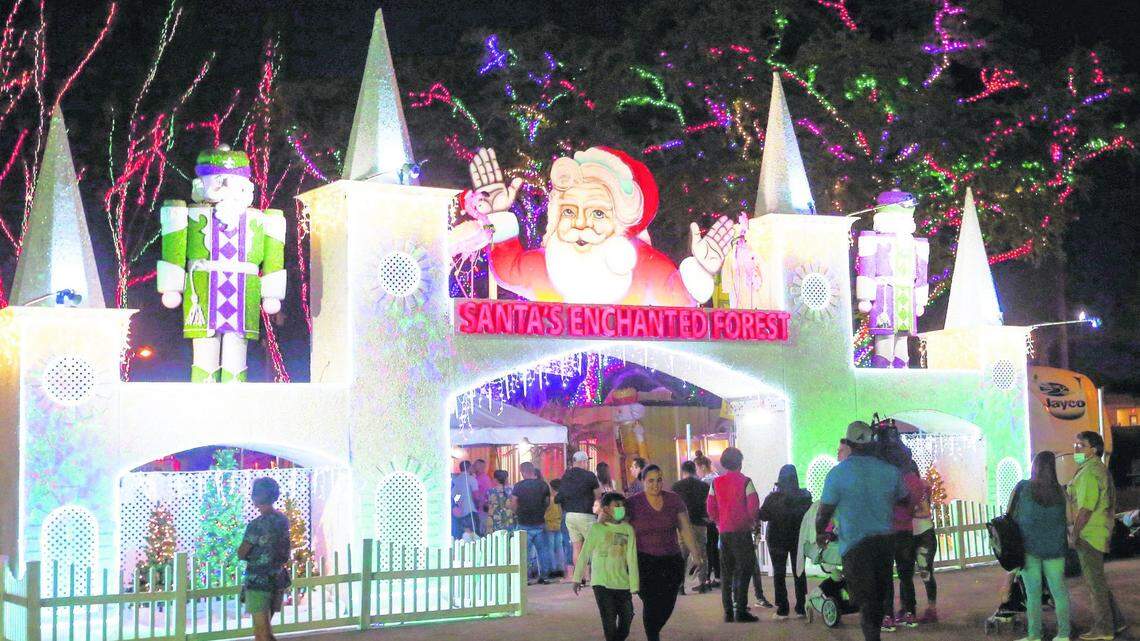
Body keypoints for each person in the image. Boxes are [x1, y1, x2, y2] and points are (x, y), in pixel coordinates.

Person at [816, 422, 908, 641]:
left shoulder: (837, 474)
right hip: (884, 543)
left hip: (856, 546)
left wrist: (821, 533)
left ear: (849, 444)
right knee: (878, 596)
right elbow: (905, 500)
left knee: (866, 601)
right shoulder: (890, 471)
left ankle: (872, 638)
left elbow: (823, 512)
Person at [627, 465, 704, 641]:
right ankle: (652, 635)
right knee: (651, 601)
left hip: (671, 559)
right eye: (651, 481)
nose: (656, 485)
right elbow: (619, 526)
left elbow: (685, 529)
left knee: (668, 602)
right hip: (644, 560)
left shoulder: (674, 500)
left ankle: (654, 628)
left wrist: (696, 555)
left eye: (659, 480)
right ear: (643, 481)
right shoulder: (632, 503)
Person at [1069, 431, 1126, 640]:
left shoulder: (1089, 473)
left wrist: (1075, 533)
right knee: (1098, 582)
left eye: (1080, 446)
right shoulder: (1098, 469)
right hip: (1100, 530)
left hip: (1090, 534)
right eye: (1075, 445)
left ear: (1093, 450)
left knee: (1095, 586)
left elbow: (1085, 509)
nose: (1075, 449)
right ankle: (1116, 622)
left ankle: (1104, 629)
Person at [1010, 451, 1072, 641]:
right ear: (1053, 468)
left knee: (1033, 594)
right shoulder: (1061, 492)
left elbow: (1009, 515)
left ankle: (1035, 635)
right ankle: (1063, 634)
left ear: (1034, 466)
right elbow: (1069, 519)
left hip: (1029, 549)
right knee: (1059, 593)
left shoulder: (1022, 487)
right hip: (1055, 550)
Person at [572, 493, 640, 641]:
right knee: (609, 622)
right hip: (601, 584)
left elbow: (632, 559)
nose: (621, 508)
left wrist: (634, 584)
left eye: (623, 505)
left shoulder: (628, 529)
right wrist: (577, 578)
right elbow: (584, 554)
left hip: (622, 583)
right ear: (606, 509)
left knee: (627, 618)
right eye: (617, 505)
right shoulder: (596, 529)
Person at [705, 447, 761, 623]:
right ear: (740, 462)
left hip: (724, 533)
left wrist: (718, 522)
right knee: (744, 570)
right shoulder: (746, 482)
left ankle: (728, 611)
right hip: (742, 532)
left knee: (727, 572)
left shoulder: (716, 483)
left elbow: (710, 508)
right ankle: (741, 610)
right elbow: (753, 507)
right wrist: (752, 522)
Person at [237, 478, 290, 641]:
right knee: (265, 630)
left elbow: (242, 552)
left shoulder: (256, 525)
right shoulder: (282, 520)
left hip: (258, 581)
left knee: (261, 632)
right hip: (277, 578)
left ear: (256, 497)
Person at [759, 463, 813, 619]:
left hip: (777, 540)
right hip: (798, 538)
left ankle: (783, 609)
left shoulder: (773, 498)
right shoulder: (805, 496)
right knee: (799, 572)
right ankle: (801, 607)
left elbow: (763, 515)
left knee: (779, 573)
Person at [882, 454, 925, 631]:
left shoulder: (887, 477)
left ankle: (887, 616)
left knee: (885, 576)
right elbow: (918, 497)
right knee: (906, 575)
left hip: (887, 532)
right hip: (906, 532)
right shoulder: (913, 480)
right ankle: (909, 613)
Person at [559, 451, 602, 574]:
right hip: (586, 515)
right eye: (586, 462)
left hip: (570, 515)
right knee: (594, 547)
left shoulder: (566, 476)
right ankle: (595, 576)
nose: (587, 464)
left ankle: (579, 577)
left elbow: (561, 494)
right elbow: (598, 494)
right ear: (583, 462)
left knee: (577, 548)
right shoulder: (589, 476)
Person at [672, 460, 711, 593]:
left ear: (683, 471)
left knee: (682, 555)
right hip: (700, 523)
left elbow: (674, 507)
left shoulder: (676, 486)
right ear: (694, 470)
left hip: (683, 525)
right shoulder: (704, 486)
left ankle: (680, 585)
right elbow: (708, 505)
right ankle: (702, 583)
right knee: (701, 553)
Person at [512, 462, 553, 584]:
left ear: (523, 472)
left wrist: (516, 513)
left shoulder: (518, 486)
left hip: (523, 522)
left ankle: (525, 578)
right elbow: (548, 502)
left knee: (524, 552)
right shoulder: (543, 485)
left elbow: (514, 502)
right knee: (543, 551)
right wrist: (542, 511)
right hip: (539, 521)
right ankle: (544, 576)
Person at [910, 461, 939, 623]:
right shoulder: (922, 485)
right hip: (920, 531)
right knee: (924, 572)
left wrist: (908, 512)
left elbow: (925, 510)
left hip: (922, 532)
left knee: (925, 571)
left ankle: (931, 608)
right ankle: (928, 607)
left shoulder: (918, 486)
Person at [695, 453, 721, 587]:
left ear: (703, 467)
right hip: (717, 519)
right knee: (714, 548)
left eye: (697, 468)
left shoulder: (706, 482)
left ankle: (708, 578)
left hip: (708, 518)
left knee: (708, 549)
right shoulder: (716, 478)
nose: (697, 472)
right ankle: (717, 576)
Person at [546, 478, 571, 575]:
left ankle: (553, 568)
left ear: (552, 488)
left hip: (549, 525)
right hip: (559, 525)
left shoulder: (551, 500)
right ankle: (561, 568)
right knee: (560, 547)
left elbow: (547, 514)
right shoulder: (563, 498)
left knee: (551, 548)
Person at [451, 461, 480, 539]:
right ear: (469, 467)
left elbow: (455, 496)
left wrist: (460, 503)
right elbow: (476, 496)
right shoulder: (471, 479)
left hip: (461, 512)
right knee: (474, 535)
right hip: (471, 510)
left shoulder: (456, 480)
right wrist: (478, 505)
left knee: (463, 536)